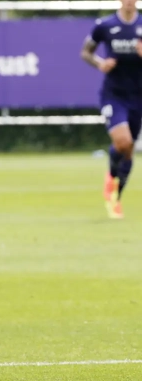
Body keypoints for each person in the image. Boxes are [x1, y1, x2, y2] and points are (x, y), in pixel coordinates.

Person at [81, 0, 142, 219]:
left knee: (128, 148)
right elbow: (86, 52)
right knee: (124, 141)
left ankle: (116, 195)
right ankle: (112, 180)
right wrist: (100, 63)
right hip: (114, 95)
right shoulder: (105, 25)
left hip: (138, 96)